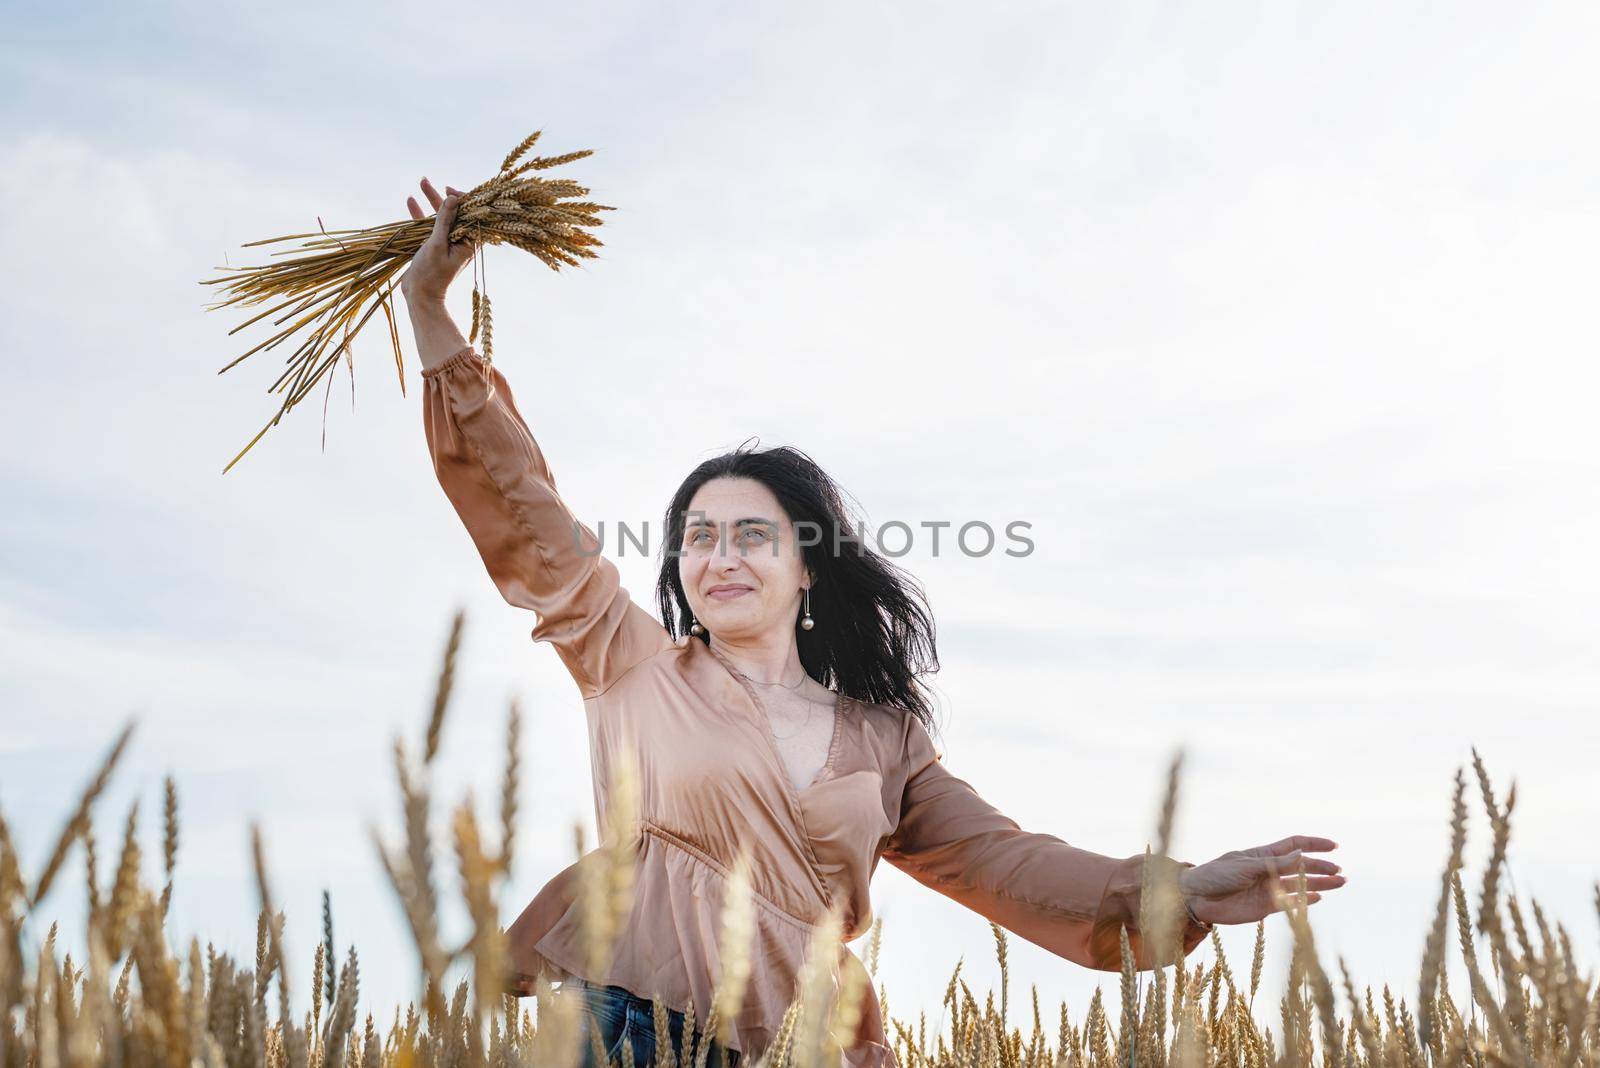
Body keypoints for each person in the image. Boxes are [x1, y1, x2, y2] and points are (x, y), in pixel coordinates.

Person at [399, 176, 1348, 1068]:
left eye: (751, 536)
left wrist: (1185, 887)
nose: (720, 556)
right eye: (698, 538)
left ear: (809, 565)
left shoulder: (888, 741)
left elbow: (1006, 864)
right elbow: (528, 517)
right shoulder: (634, 665)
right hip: (624, 1017)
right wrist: (435, 321)